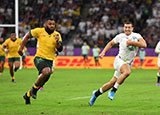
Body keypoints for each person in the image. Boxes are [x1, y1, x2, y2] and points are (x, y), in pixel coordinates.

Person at [89, 21, 147, 106]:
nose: (127, 29)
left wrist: (132, 43)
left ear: (132, 28)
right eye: (125, 27)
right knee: (127, 72)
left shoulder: (137, 36)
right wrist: (103, 52)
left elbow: (144, 45)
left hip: (128, 63)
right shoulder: (120, 36)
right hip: (119, 60)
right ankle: (113, 91)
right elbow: (111, 43)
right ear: (124, 28)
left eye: (129, 27)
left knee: (111, 82)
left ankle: (96, 94)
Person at [18, 18, 63, 104]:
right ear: (45, 24)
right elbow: (27, 36)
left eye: (53, 24)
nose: (52, 26)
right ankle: (34, 90)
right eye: (50, 24)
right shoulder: (39, 31)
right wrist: (21, 48)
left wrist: (57, 42)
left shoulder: (57, 35)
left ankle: (27, 95)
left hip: (50, 60)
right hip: (39, 58)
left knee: (42, 81)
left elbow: (60, 49)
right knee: (46, 71)